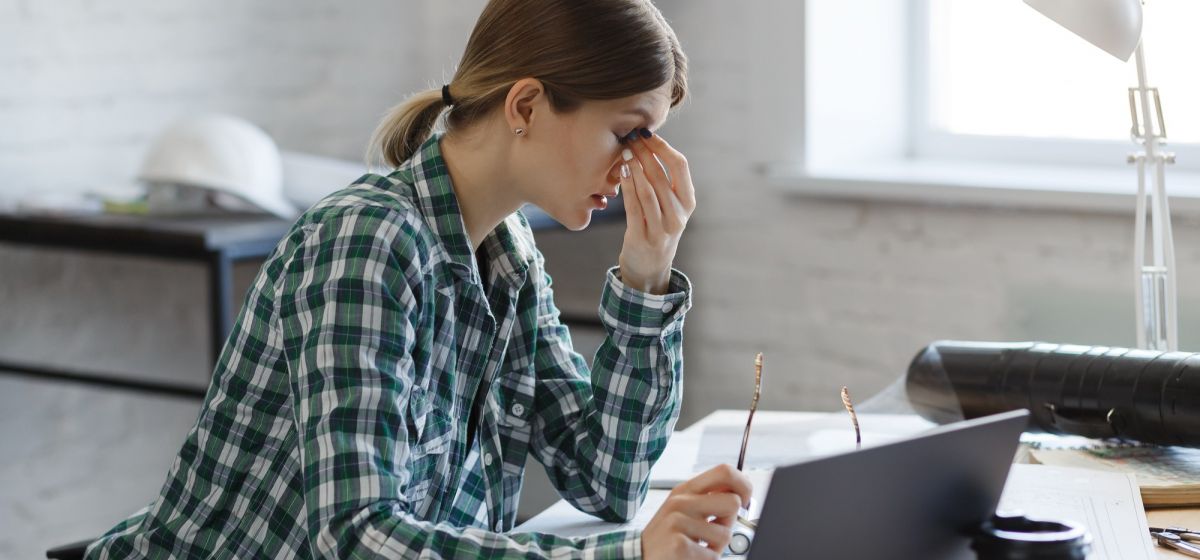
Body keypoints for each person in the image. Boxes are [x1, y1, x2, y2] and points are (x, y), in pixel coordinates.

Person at [85, 0, 751, 558]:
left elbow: (609, 478)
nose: (638, 168)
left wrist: (646, 275)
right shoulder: (367, 241)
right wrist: (626, 555)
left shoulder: (508, 258)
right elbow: (355, 536)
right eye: (627, 135)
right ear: (525, 106)